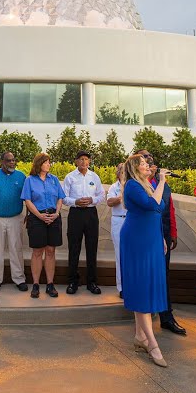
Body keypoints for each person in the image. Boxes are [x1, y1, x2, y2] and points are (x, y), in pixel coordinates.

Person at [118, 152, 170, 367]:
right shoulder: (132, 185)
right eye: (143, 163)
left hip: (151, 239)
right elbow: (152, 204)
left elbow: (158, 209)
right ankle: (152, 343)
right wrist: (163, 180)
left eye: (148, 162)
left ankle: (140, 336)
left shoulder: (146, 184)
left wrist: (161, 238)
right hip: (137, 241)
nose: (148, 165)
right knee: (141, 286)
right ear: (134, 167)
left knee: (148, 284)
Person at [143, 152, 185, 336]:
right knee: (147, 274)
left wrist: (173, 233)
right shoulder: (139, 184)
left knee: (163, 275)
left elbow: (170, 209)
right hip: (147, 236)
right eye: (145, 159)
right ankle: (144, 316)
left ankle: (167, 317)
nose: (149, 162)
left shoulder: (163, 184)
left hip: (164, 234)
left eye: (151, 159)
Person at [21, 152, 65, 298]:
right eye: (46, 162)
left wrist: (57, 213)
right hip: (37, 218)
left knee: (51, 251)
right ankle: (35, 284)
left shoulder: (54, 180)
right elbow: (27, 200)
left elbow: (60, 198)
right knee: (37, 252)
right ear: (39, 164)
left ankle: (50, 284)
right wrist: (39, 216)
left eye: (49, 162)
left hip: (53, 217)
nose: (49, 164)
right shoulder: (30, 180)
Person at [0, 151, 27, 292]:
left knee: (16, 249)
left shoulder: (21, 177)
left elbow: (28, 197)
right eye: (8, 160)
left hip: (15, 218)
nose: (12, 163)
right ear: (1, 161)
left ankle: (19, 279)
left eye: (14, 160)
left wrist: (30, 214)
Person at [62, 150, 105, 295]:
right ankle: (73, 281)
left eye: (86, 159)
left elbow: (101, 195)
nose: (84, 162)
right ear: (76, 161)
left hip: (91, 214)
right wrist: (76, 202)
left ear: (89, 161)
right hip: (76, 214)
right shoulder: (70, 177)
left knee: (92, 248)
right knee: (74, 248)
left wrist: (92, 200)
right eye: (81, 159)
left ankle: (92, 282)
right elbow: (64, 198)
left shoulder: (94, 176)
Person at [105, 163, 126, 297]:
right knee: (120, 255)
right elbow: (109, 202)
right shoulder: (114, 187)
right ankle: (121, 287)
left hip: (132, 221)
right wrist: (121, 196)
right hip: (118, 220)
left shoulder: (133, 186)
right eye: (122, 172)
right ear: (118, 174)